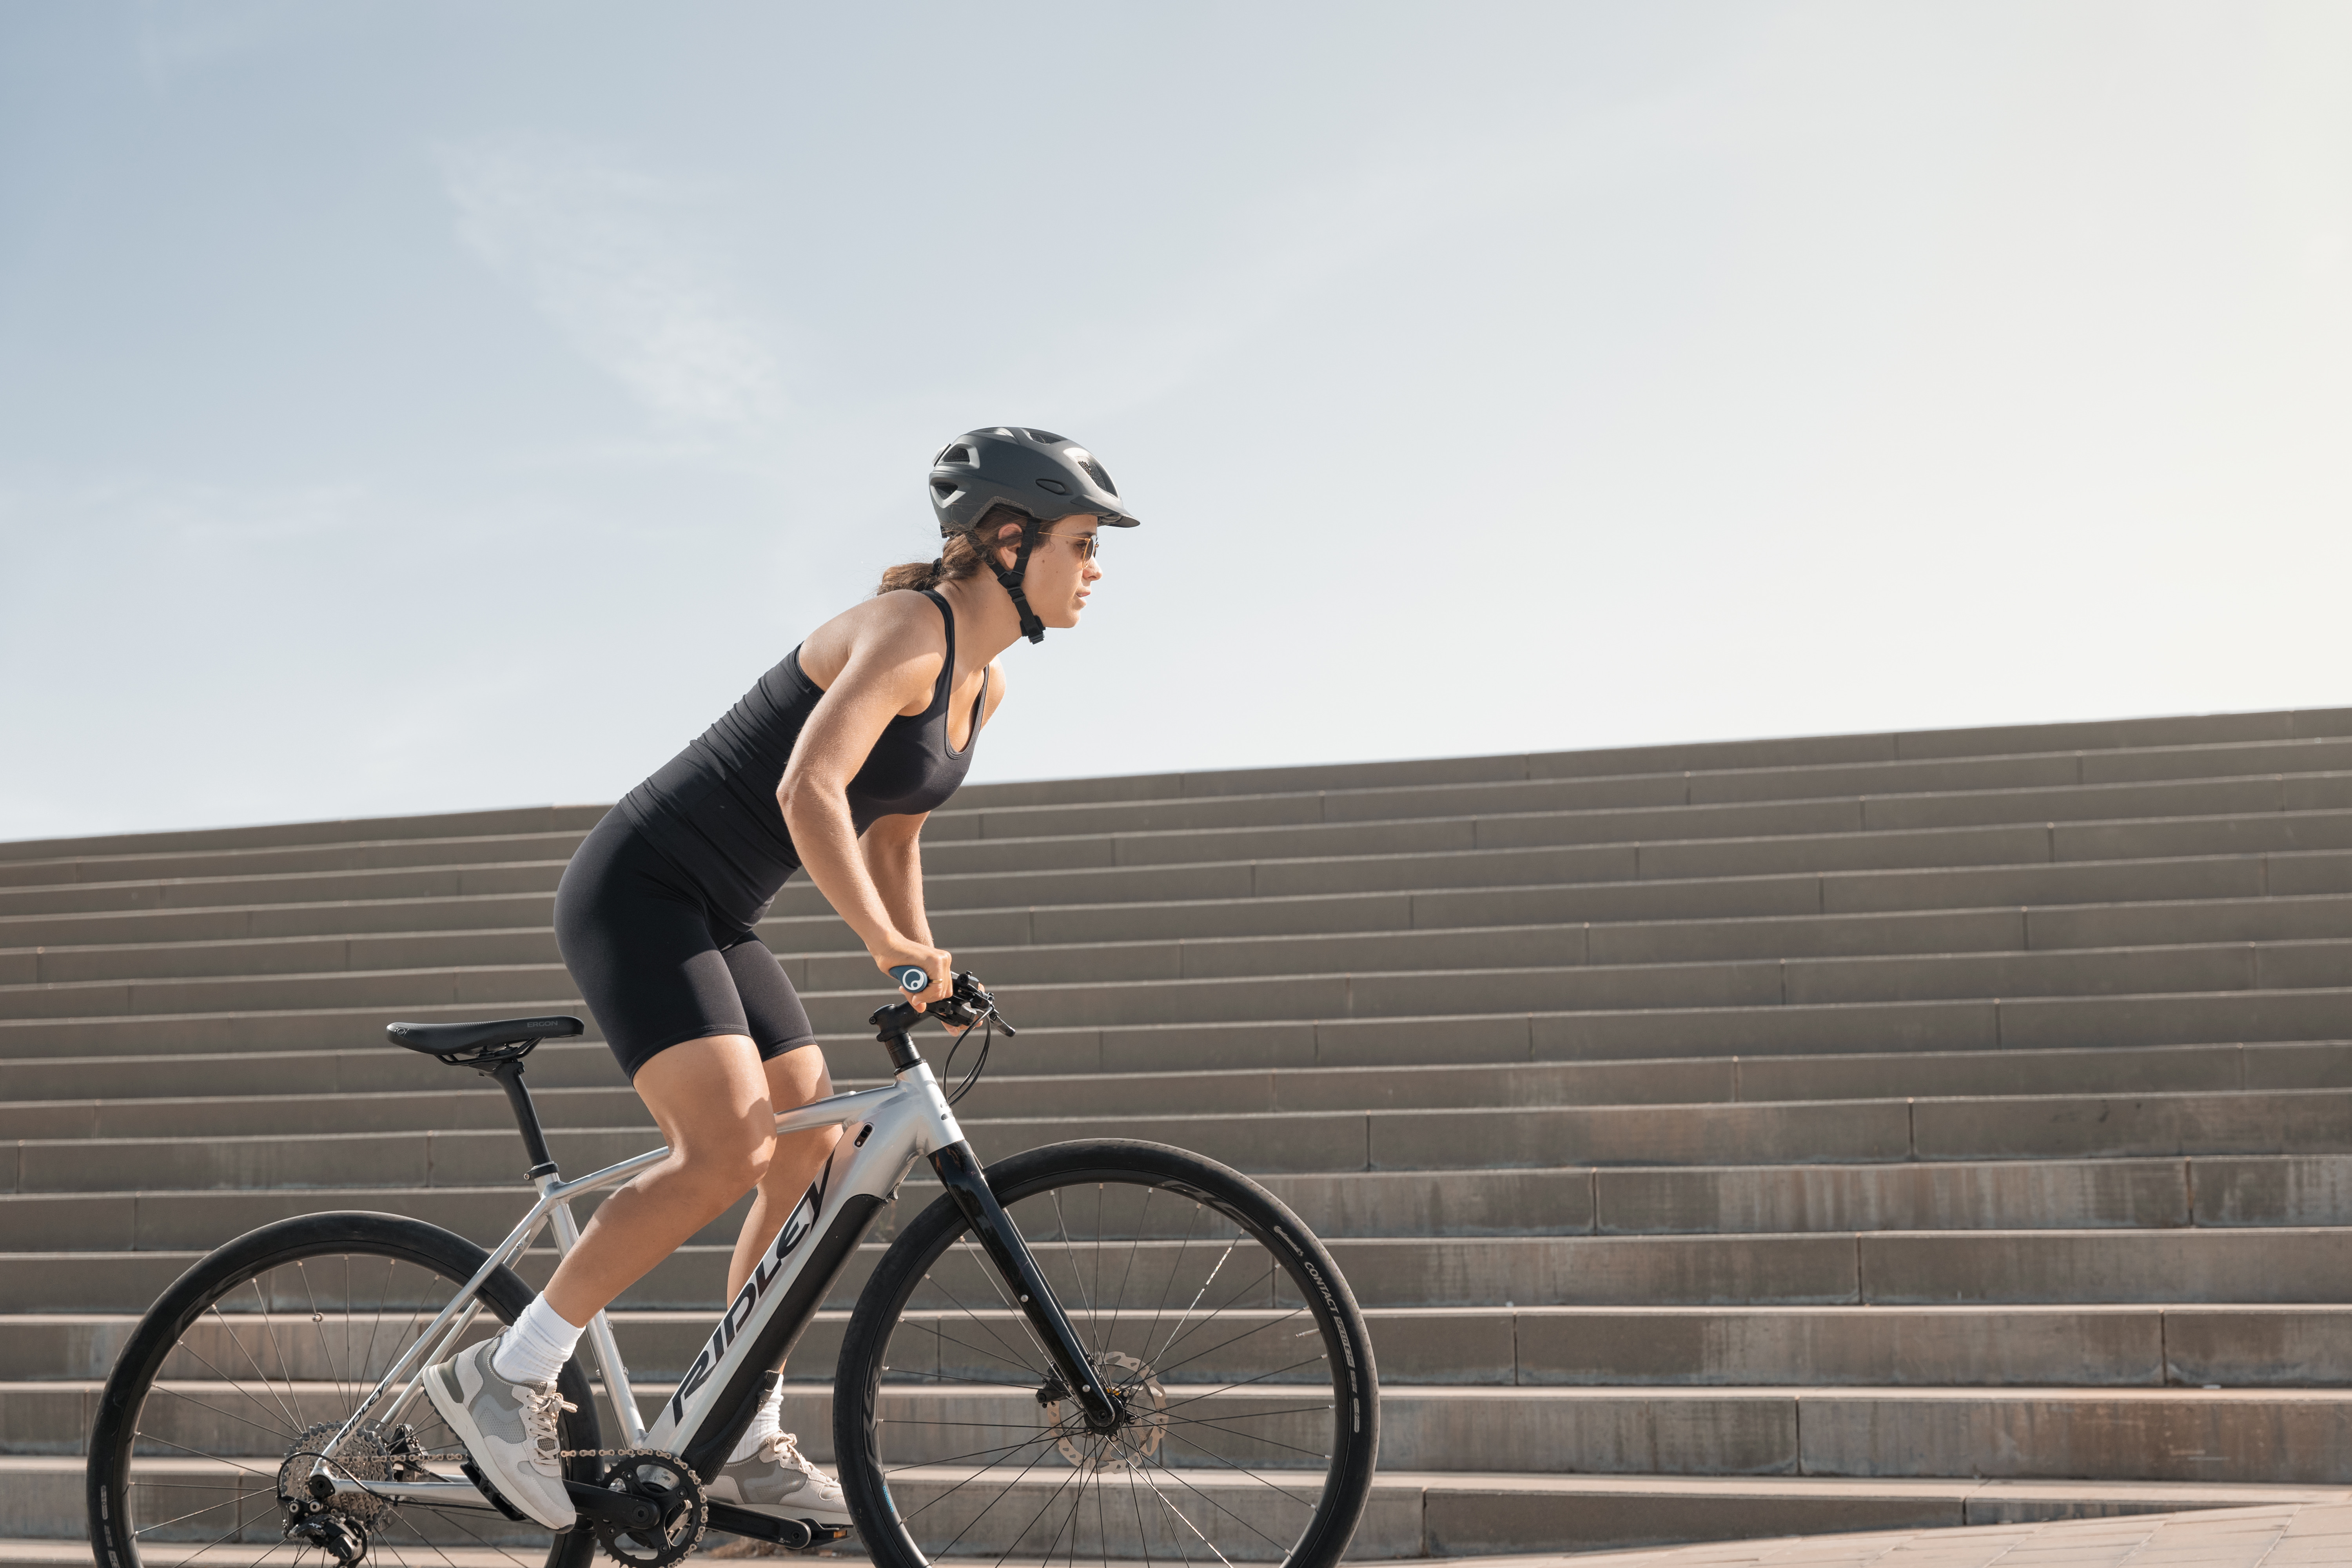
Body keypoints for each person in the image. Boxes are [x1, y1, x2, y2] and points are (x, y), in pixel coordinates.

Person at [423, 428, 1138, 1531]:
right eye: (1083, 543)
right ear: (1007, 539)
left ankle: (745, 1432)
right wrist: (883, 950)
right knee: (726, 1146)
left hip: (717, 914)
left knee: (815, 1147)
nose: (1097, 569)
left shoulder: (981, 688)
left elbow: (892, 834)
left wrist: (922, 957)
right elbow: (813, 790)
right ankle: (509, 1372)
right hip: (639, 890)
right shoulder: (909, 628)